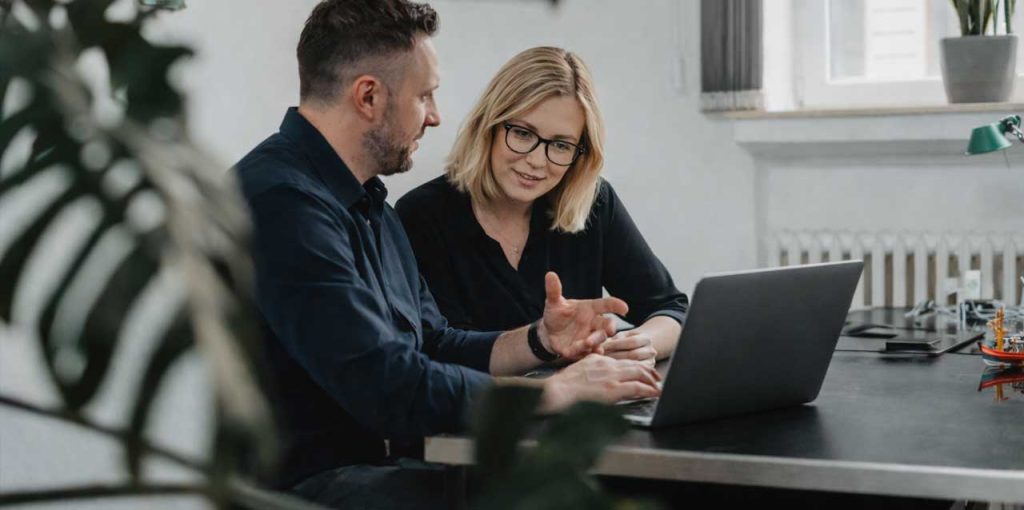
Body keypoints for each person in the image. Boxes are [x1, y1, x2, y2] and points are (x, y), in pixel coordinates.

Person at [232, 1, 661, 508]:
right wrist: (557, 391)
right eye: (425, 96)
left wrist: (541, 341)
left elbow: (434, 342)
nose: (435, 117)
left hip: (385, 468)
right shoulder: (280, 201)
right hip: (312, 486)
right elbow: (389, 386)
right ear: (368, 96)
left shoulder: (370, 205)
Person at [395, 47, 687, 366]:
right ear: (489, 126)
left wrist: (643, 343)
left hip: (586, 407)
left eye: (560, 145)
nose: (536, 161)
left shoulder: (594, 202)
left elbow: (671, 309)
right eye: (522, 133)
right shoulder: (422, 215)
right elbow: (435, 352)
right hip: (484, 410)